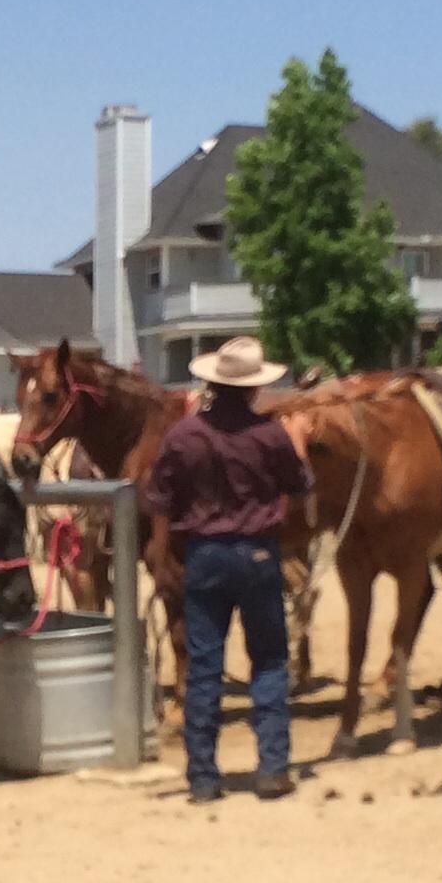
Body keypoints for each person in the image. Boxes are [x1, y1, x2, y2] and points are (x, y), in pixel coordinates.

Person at [137, 333, 311, 803]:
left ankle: (204, 777)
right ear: (255, 387)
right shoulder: (271, 434)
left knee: (204, 667)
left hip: (205, 556)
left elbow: (157, 497)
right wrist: (296, 444)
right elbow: (299, 485)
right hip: (257, 553)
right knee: (270, 661)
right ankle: (272, 768)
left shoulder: (184, 435)